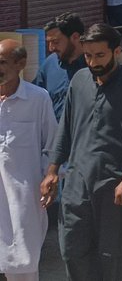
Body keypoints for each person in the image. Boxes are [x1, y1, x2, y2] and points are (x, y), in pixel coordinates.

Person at [41, 24, 122, 280]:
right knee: (72, 250)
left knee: (114, 256)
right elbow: (65, 129)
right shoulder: (79, 81)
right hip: (77, 184)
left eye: (100, 55)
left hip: (115, 186)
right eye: (88, 55)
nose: (93, 62)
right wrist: (52, 171)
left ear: (117, 52)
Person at [0, 39, 57, 281]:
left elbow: (52, 145)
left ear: (21, 64)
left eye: (2, 62)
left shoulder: (38, 98)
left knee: (23, 262)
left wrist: (50, 179)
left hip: (23, 199)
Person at [34, 12, 87, 120]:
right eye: (49, 42)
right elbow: (36, 98)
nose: (51, 48)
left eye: (55, 42)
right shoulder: (49, 64)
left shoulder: (94, 66)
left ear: (75, 37)